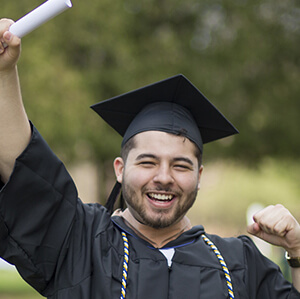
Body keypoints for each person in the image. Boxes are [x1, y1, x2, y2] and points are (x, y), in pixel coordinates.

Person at [0, 18, 300, 299]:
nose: (164, 177)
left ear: (199, 175)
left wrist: (298, 250)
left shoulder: (240, 264)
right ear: (120, 168)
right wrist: (4, 72)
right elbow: (23, 166)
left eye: (181, 165)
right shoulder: (78, 241)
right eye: (147, 162)